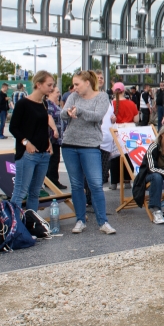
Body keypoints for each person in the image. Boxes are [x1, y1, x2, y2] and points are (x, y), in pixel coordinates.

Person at [60, 70, 114, 234]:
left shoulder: (101, 96)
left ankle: (103, 221)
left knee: (96, 184)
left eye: (77, 84)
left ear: (87, 83)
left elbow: (97, 116)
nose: (74, 87)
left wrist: (80, 111)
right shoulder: (73, 96)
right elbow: (62, 114)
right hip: (69, 143)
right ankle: (80, 220)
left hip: (90, 145)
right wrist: (68, 112)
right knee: (76, 185)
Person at [8, 70, 55, 214]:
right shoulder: (23, 104)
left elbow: (42, 126)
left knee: (35, 192)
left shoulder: (44, 103)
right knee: (21, 191)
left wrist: (49, 142)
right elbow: (13, 127)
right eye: (49, 85)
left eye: (52, 85)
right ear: (38, 84)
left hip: (43, 154)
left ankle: (31, 222)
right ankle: (14, 225)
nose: (52, 88)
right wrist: (25, 142)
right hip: (27, 154)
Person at [45, 85, 65, 187]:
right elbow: (48, 117)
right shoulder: (48, 105)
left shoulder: (55, 104)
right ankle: (53, 181)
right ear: (51, 93)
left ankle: (51, 180)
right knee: (53, 159)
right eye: (57, 92)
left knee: (54, 159)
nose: (59, 94)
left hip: (57, 137)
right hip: (52, 136)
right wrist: (55, 130)